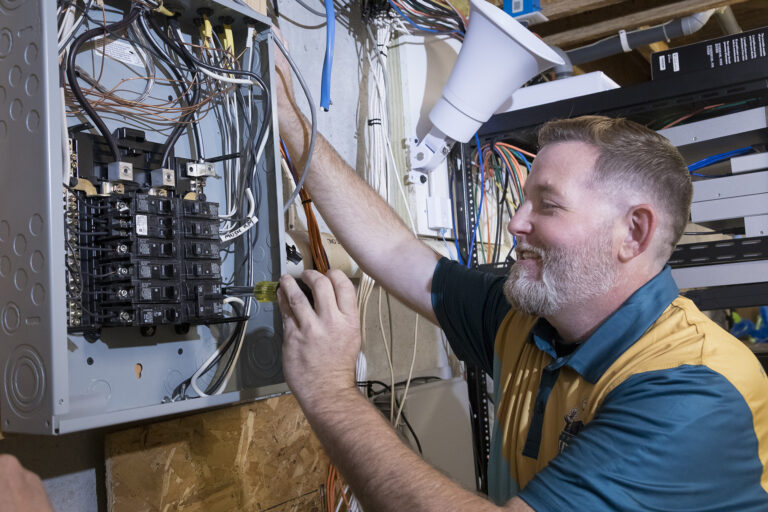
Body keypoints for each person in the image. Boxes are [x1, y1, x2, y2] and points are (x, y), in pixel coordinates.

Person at [274, 40, 768, 511]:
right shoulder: (531, 325)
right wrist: (293, 126)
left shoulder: (692, 391)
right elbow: (400, 252)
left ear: (633, 233)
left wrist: (331, 394)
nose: (515, 222)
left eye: (547, 205)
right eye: (523, 199)